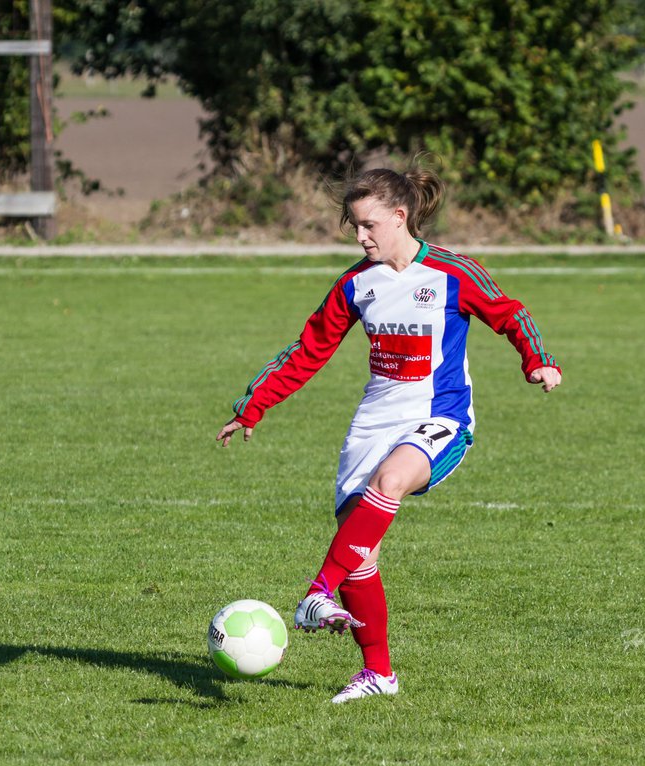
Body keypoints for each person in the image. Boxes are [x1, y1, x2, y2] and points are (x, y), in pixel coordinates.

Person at [216, 162, 561, 704]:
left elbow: (509, 313)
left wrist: (536, 360)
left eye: (369, 225)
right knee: (360, 552)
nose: (360, 236)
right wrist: (251, 407)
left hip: (441, 416)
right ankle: (378, 673)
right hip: (373, 421)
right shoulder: (357, 284)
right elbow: (308, 350)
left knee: (392, 479)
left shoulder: (453, 272)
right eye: (354, 226)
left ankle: (316, 591)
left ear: (400, 217)